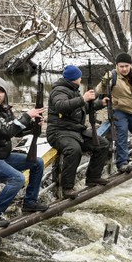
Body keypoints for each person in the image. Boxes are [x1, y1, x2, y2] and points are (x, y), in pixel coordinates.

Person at [0, 77, 48, 228]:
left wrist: (33, 125)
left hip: (1, 155)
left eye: (0, 91)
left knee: (37, 162)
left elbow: (16, 131)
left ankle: (30, 202)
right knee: (17, 179)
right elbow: (5, 130)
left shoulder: (4, 109)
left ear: (5, 93)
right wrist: (26, 116)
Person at [46, 65, 110, 198]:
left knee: (102, 144)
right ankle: (67, 188)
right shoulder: (59, 91)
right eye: (79, 77)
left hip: (75, 131)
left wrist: (100, 103)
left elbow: (81, 108)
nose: (81, 79)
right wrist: (83, 98)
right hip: (59, 132)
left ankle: (93, 177)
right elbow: (61, 106)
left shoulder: (72, 89)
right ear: (75, 78)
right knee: (74, 150)